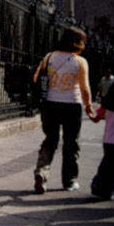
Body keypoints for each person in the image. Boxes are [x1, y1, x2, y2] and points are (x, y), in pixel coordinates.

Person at [33, 26, 94, 194]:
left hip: (50, 104)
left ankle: (41, 172)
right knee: (71, 144)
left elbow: (36, 78)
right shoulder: (80, 62)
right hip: (72, 105)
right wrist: (88, 106)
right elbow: (85, 87)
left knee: (50, 141)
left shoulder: (49, 57)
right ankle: (69, 180)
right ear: (77, 43)